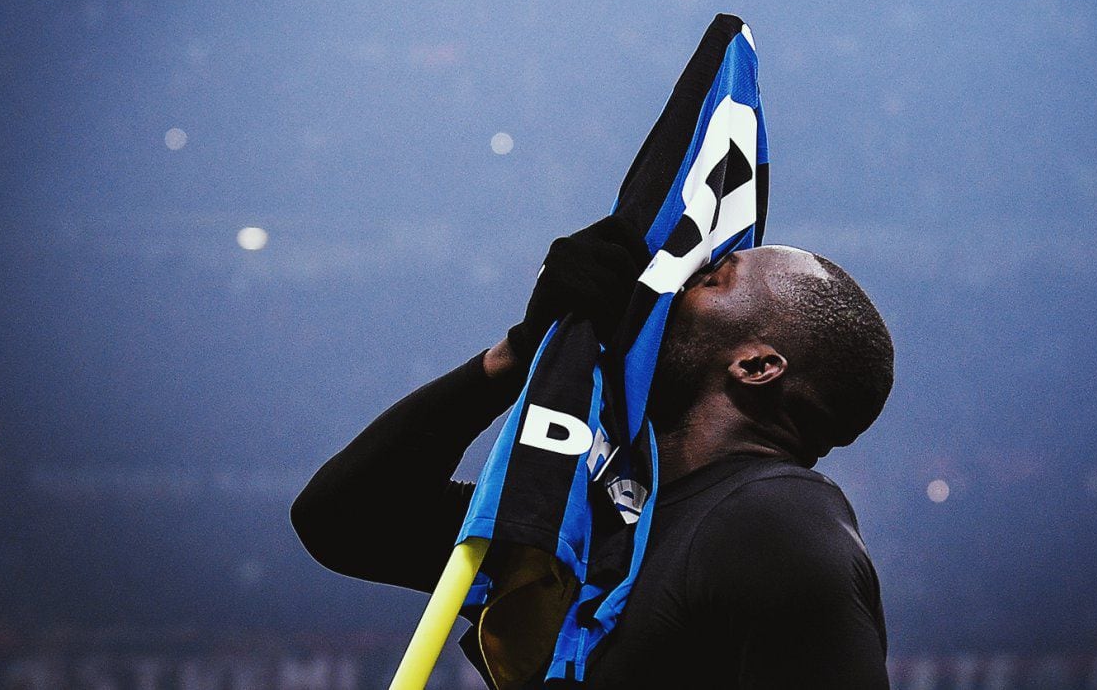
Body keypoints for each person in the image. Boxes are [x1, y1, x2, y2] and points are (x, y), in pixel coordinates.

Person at [291, 216, 895, 689]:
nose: (674, 285)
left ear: (757, 366)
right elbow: (344, 518)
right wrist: (523, 354)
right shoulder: (598, 521)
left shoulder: (773, 519)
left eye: (712, 280)